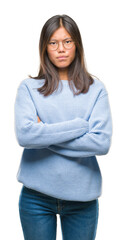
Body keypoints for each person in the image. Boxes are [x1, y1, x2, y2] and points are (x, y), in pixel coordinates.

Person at [14, 14, 112, 240]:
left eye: (67, 41)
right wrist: (80, 126)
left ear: (76, 44)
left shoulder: (95, 89)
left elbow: (101, 142)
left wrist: (44, 135)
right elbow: (25, 135)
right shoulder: (29, 88)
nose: (61, 49)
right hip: (36, 198)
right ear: (44, 47)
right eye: (53, 42)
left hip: (83, 200)